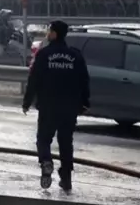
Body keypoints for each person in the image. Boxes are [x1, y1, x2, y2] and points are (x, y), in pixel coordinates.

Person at [22, 20, 90, 192]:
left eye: (49, 31)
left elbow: (34, 79)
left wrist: (27, 101)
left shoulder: (44, 54)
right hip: (69, 107)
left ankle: (46, 161)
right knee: (66, 142)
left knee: (43, 139)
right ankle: (66, 178)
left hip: (48, 105)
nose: (47, 33)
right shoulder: (75, 55)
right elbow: (84, 80)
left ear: (55, 33)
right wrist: (85, 102)